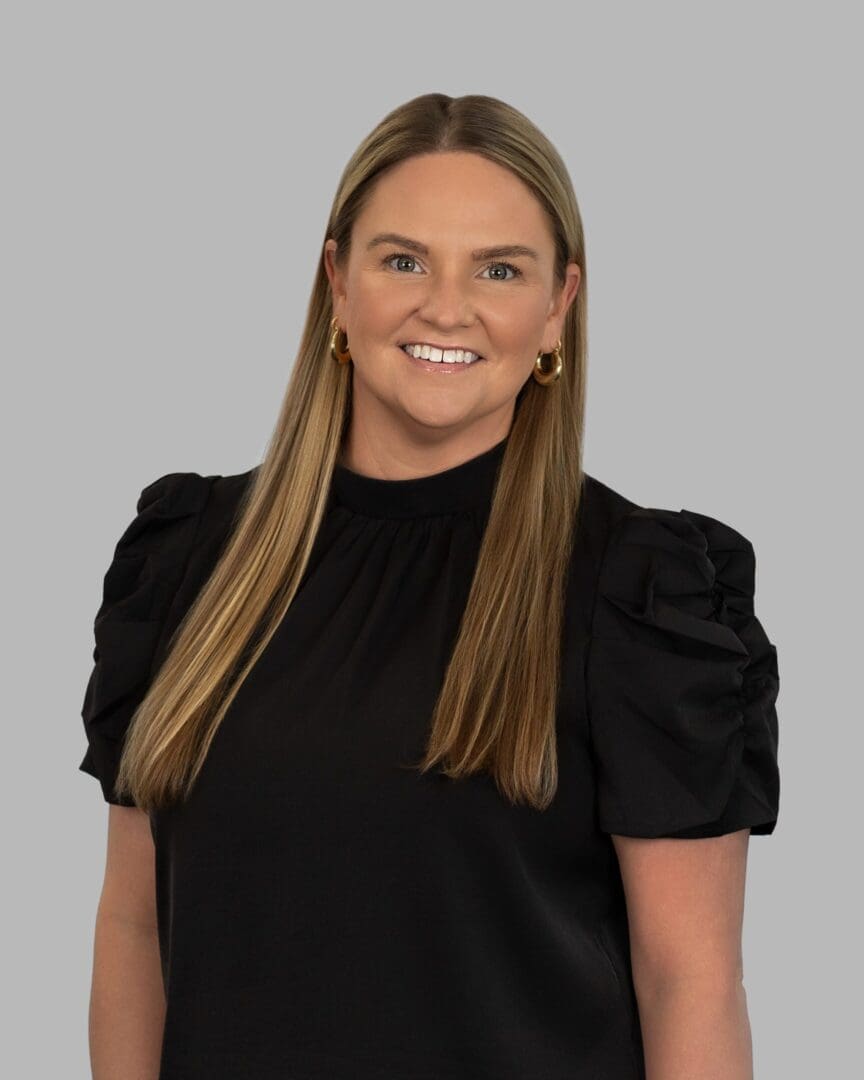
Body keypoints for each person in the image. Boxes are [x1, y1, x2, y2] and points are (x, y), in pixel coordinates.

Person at [78, 92, 780, 1080]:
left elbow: (691, 984)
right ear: (337, 281)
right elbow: (133, 926)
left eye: (499, 269)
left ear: (558, 308)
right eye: (404, 261)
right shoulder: (189, 558)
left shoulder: (639, 594)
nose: (446, 308)